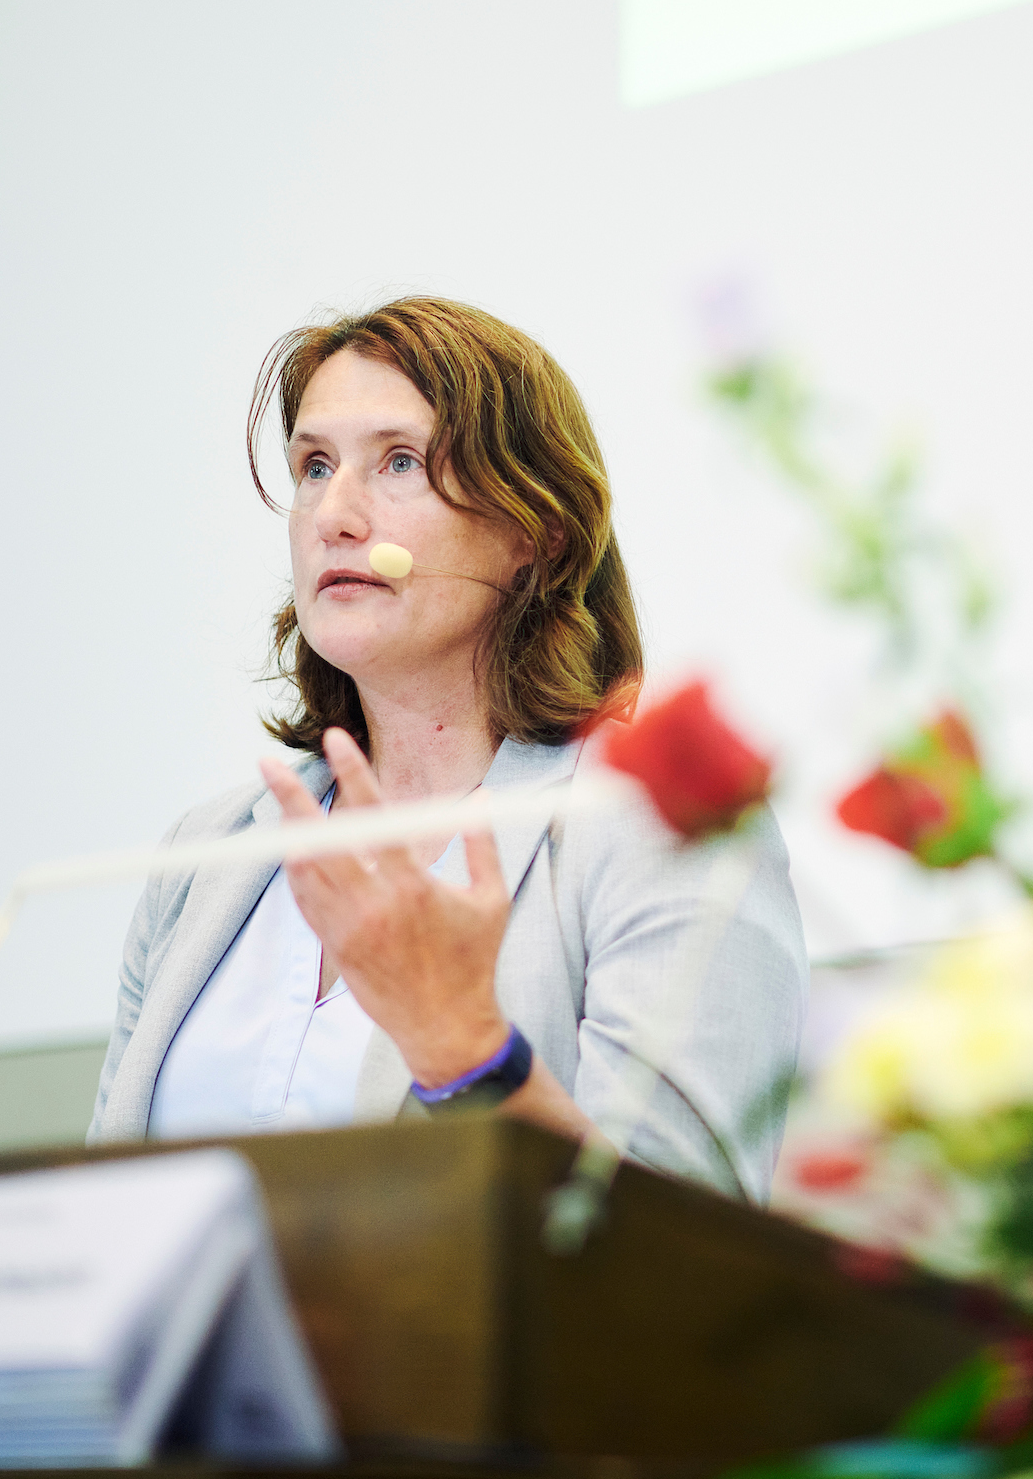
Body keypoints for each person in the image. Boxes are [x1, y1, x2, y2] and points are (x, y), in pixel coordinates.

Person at [88, 297, 805, 1201]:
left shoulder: (654, 830)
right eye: (313, 466)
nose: (333, 516)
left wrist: (465, 1051)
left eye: (399, 462)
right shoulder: (206, 857)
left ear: (534, 533)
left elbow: (691, 1259)